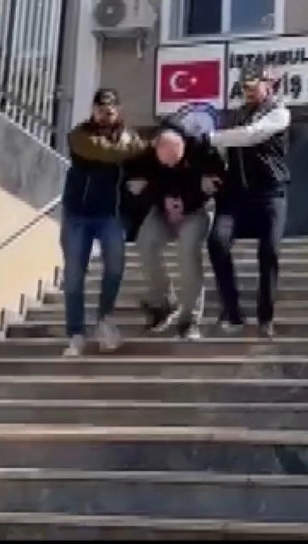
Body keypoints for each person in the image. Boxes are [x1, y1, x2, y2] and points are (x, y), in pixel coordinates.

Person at [203, 63, 291, 340]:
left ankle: (266, 318)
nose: (249, 92)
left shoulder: (280, 113)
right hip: (236, 195)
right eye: (245, 88)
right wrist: (210, 174)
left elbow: (252, 134)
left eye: (254, 87)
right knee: (217, 242)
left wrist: (211, 137)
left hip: (270, 193)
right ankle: (232, 312)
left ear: (268, 86)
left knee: (269, 252)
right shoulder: (233, 116)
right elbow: (218, 154)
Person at [60, 88, 146, 356]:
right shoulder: (79, 135)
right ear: (93, 110)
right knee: (74, 276)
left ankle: (104, 319)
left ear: (118, 110)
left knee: (116, 267)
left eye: (110, 111)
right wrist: (132, 148)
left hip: (111, 214)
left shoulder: (130, 137)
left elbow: (142, 158)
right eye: (100, 110)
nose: (105, 115)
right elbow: (105, 152)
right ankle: (76, 334)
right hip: (77, 214)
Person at [126, 120, 225, 340]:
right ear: (156, 147)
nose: (171, 166)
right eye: (165, 163)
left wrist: (186, 203)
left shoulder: (203, 150)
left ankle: (190, 319)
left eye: (175, 161)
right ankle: (164, 302)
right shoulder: (145, 155)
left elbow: (217, 183)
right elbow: (134, 185)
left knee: (188, 250)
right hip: (162, 208)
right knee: (145, 242)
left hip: (197, 208)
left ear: (183, 146)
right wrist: (162, 199)